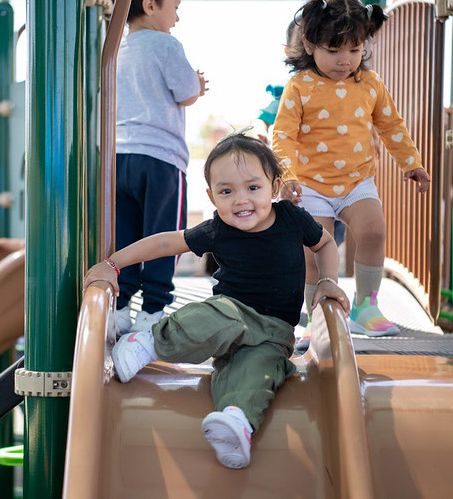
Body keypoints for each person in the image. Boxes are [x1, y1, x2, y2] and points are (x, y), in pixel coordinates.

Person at [84, 132, 350, 469]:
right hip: (229, 315)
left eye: (253, 188)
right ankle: (150, 341)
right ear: (212, 196)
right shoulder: (218, 230)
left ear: (275, 186)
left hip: (275, 334)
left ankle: (236, 421)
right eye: (227, 191)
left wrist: (328, 282)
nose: (240, 200)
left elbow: (325, 244)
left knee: (260, 372)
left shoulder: (292, 219)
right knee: (215, 318)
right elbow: (166, 244)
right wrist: (112, 264)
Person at [272, 0, 430, 342]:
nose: (345, 60)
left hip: (357, 180)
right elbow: (282, 135)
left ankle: (366, 305)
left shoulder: (370, 83)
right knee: (317, 250)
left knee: (373, 231)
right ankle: (317, 312)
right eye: (333, 50)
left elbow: (391, 126)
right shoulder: (299, 85)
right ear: (310, 46)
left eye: (355, 49)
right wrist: (287, 176)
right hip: (310, 185)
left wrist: (411, 162)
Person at [115, 0, 208, 335]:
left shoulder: (114, 50)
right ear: (152, 5)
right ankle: (152, 309)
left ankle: (119, 305)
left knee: (123, 233)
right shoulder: (167, 44)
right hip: (161, 159)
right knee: (164, 234)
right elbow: (185, 92)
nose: (178, 16)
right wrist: (198, 84)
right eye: (176, 7)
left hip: (118, 157)